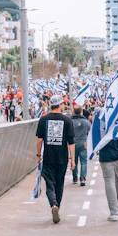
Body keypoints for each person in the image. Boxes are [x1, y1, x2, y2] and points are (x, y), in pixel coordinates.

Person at [36, 95, 75, 224]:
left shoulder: (43, 119)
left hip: (48, 158)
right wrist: (73, 160)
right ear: (59, 105)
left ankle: (53, 205)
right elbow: (71, 143)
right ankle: (57, 205)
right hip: (62, 158)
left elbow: (39, 140)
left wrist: (38, 155)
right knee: (59, 184)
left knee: (49, 184)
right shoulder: (67, 120)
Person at [72, 105, 91, 186]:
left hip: (73, 144)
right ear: (81, 112)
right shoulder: (86, 122)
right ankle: (82, 178)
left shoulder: (71, 121)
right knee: (84, 161)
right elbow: (90, 133)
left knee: (74, 161)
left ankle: (75, 177)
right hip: (83, 143)